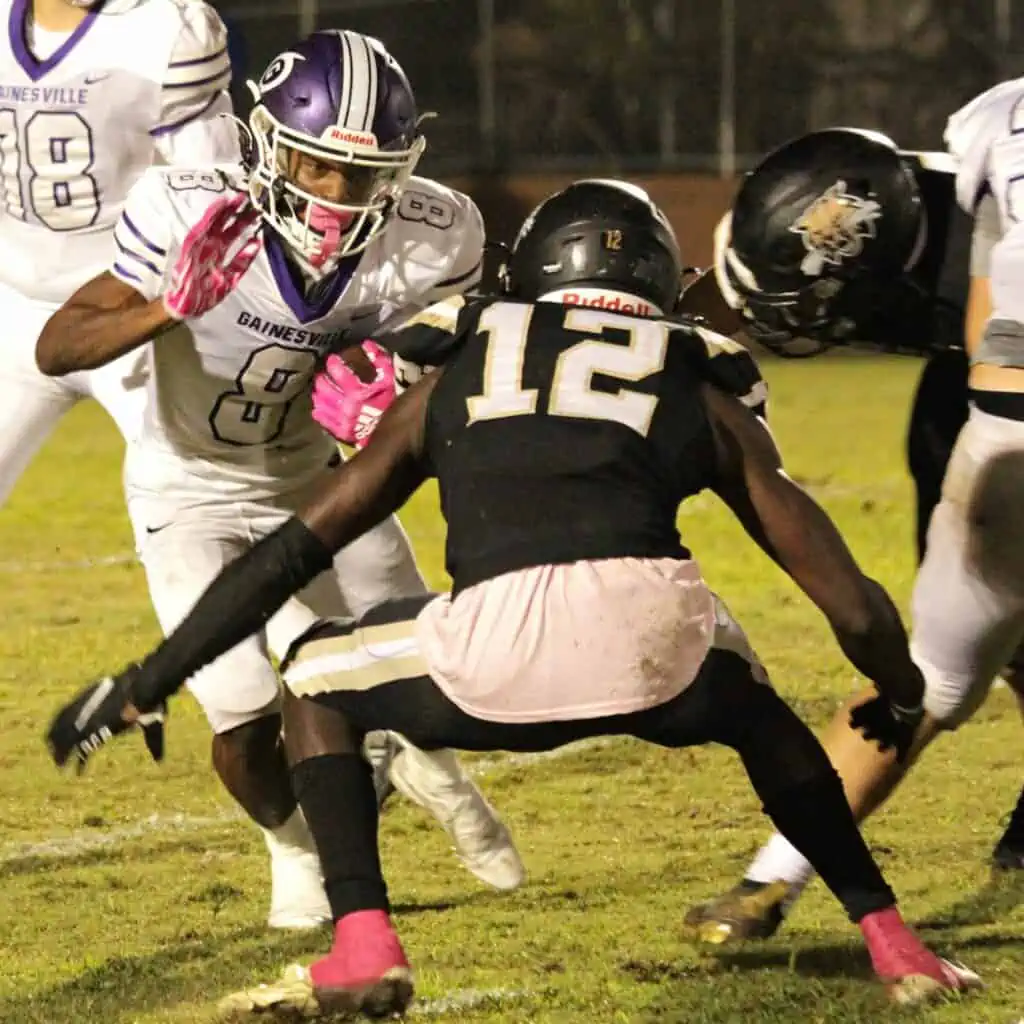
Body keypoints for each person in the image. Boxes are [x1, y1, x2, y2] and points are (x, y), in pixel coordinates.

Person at [45, 179, 978, 1017]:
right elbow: (846, 598)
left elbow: (291, 551)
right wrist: (899, 693)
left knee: (313, 681)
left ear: (529, 269)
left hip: (491, 662)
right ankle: (893, 941)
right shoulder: (703, 371)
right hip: (663, 656)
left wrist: (151, 676)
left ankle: (363, 940)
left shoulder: (458, 357)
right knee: (755, 706)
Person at [35, 28, 524, 932]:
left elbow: (458, 362)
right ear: (265, 145)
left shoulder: (433, 232)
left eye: (365, 174)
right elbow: (56, 345)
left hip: (319, 483)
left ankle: (443, 778)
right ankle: (294, 847)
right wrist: (168, 307)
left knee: (432, 674)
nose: (338, 196)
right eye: (315, 166)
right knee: (245, 717)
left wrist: (400, 380)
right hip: (187, 489)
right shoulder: (185, 211)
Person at [685, 125, 1024, 944]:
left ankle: (771, 878)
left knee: (938, 667)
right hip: (987, 384)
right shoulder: (969, 160)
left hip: (1009, 404)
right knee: (976, 642)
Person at [0, 0, 238, 504]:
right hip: (12, 304)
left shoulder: (164, 29)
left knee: (213, 500)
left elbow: (214, 198)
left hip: (133, 309)